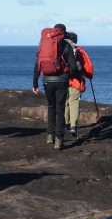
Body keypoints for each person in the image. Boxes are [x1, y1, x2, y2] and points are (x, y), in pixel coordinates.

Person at [33, 23, 79, 151]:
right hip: (62, 81)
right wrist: (71, 76)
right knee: (60, 109)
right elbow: (74, 67)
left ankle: (50, 135)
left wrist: (35, 83)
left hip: (47, 80)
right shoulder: (66, 45)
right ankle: (59, 140)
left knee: (51, 107)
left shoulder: (44, 44)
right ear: (63, 33)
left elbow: (37, 65)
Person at [63, 32, 94, 139]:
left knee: (65, 102)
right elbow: (88, 66)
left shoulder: (60, 48)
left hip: (62, 79)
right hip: (75, 80)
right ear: (75, 40)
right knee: (74, 102)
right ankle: (73, 126)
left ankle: (65, 123)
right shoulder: (78, 50)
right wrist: (89, 76)